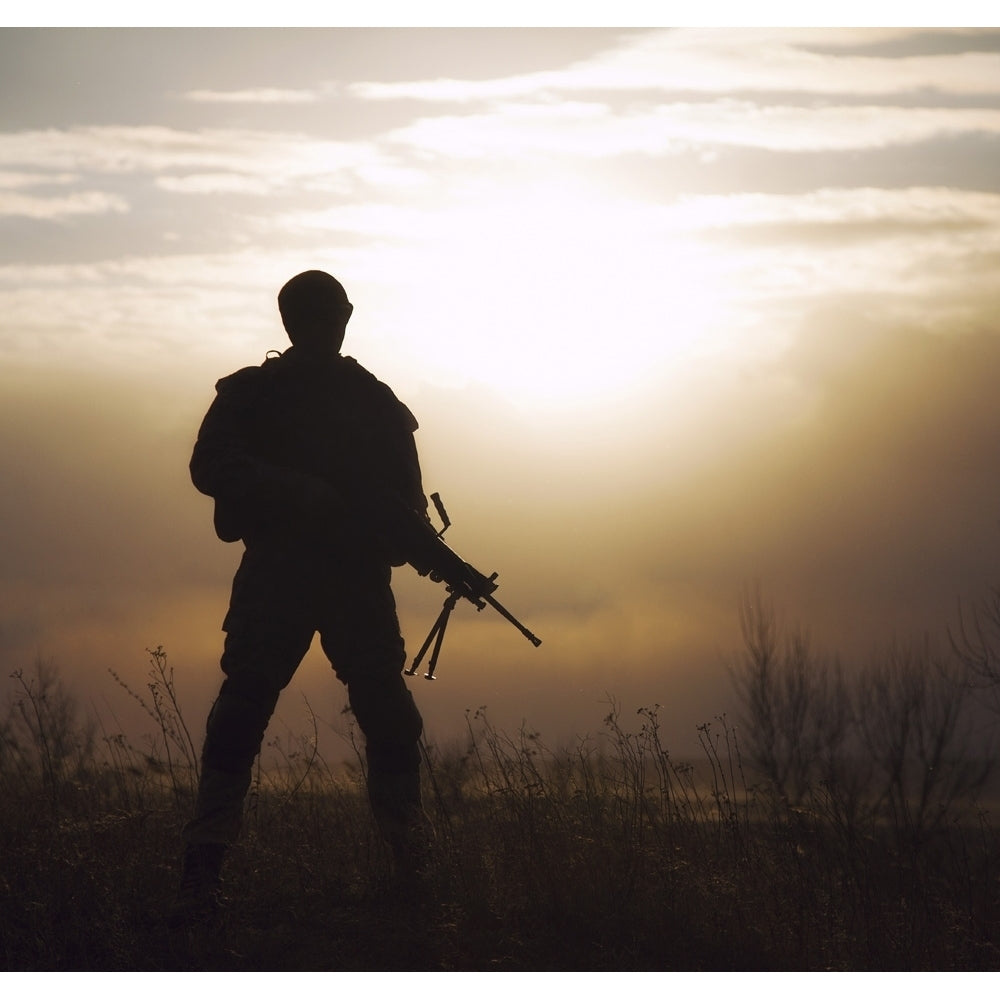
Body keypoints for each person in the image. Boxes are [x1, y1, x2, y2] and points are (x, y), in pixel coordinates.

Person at [171, 270, 433, 925]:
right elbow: (211, 466)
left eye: (332, 315)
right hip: (280, 574)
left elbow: (404, 504)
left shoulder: (372, 403)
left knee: (390, 718)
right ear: (300, 321)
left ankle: (409, 864)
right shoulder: (254, 396)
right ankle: (203, 867)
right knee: (242, 712)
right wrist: (296, 490)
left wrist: (422, 549)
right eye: (320, 316)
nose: (329, 327)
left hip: (353, 580)